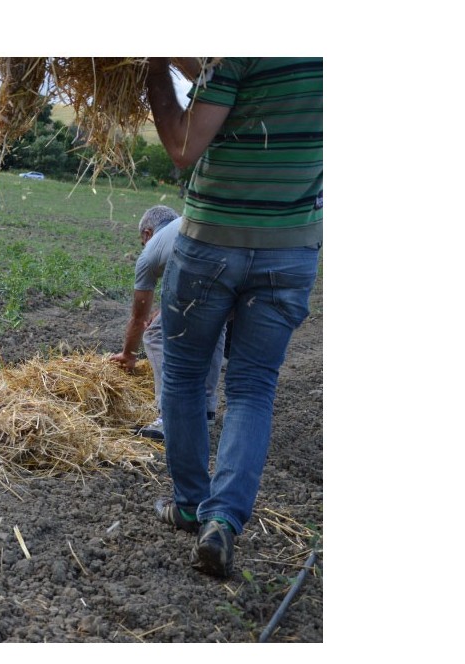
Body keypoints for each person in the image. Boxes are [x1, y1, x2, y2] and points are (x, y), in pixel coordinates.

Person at [145, 57, 322, 578]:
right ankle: (222, 519)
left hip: (210, 244)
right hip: (292, 249)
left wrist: (154, 69)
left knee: (183, 375)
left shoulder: (246, 45)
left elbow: (182, 148)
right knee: (252, 388)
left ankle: (188, 504)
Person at [107, 205, 226, 441]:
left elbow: (138, 317)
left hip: (201, 275)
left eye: (142, 241)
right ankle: (206, 411)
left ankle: (168, 414)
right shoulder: (183, 224)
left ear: (148, 234)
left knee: (154, 334)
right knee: (215, 327)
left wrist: (129, 354)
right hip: (237, 266)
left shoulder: (150, 250)